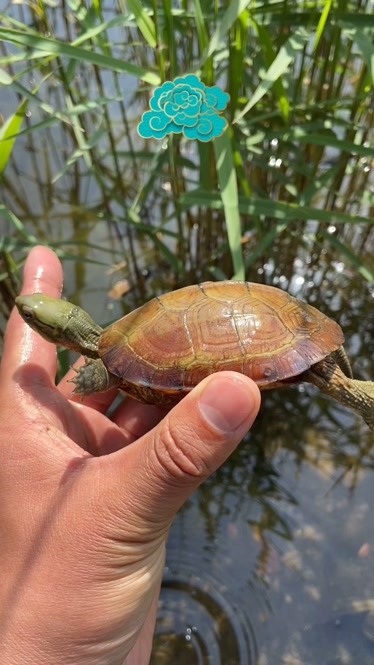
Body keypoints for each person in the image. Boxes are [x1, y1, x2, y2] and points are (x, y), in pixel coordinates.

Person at [0, 246, 261, 664]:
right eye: (32, 316)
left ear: (60, 334)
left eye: (34, 318)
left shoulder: (102, 364)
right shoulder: (105, 359)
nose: (26, 312)